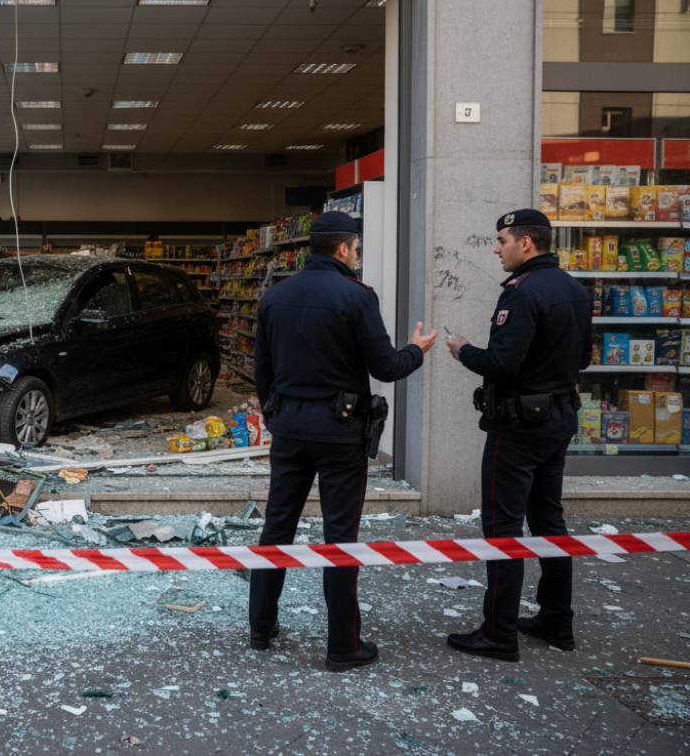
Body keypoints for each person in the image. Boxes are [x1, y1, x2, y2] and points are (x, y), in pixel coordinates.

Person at [251, 211, 436, 672]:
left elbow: (263, 372)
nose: (357, 254)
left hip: (291, 429)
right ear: (342, 249)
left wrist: (277, 416)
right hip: (340, 432)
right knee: (340, 538)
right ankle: (342, 645)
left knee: (277, 526)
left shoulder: (276, 297)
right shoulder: (357, 298)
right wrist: (418, 350)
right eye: (356, 247)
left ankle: (260, 627)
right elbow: (386, 367)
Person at [444, 209, 591, 661]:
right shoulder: (573, 288)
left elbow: (502, 363)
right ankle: (556, 620)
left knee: (503, 528)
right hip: (559, 418)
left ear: (526, 243)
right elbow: (583, 357)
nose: (495, 248)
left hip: (518, 427)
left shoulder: (521, 295)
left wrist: (463, 350)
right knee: (550, 522)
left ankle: (498, 632)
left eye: (502, 239)